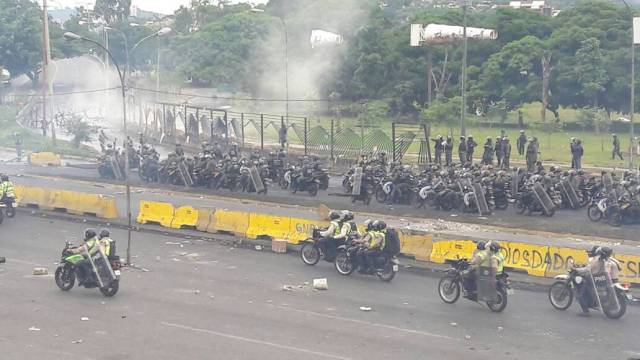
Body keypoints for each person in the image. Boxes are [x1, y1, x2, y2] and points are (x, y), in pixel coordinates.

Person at [574, 246, 620, 316]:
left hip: (596, 280)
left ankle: (585, 311)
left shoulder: (597, 260)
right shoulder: (610, 260)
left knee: (581, 292)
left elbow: (587, 270)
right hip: (607, 280)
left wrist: (576, 269)